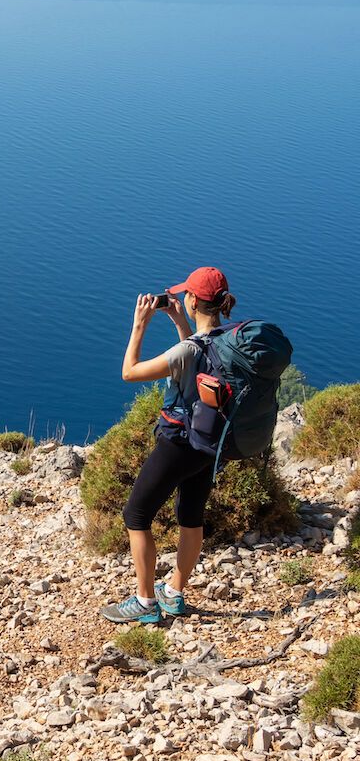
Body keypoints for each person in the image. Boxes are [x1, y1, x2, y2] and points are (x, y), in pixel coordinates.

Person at [100, 266, 237, 624]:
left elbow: (130, 372)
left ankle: (145, 601)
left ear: (192, 299)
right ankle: (174, 593)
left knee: (136, 514)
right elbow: (198, 354)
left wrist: (139, 324)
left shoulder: (187, 351)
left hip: (179, 442)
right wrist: (180, 322)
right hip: (210, 442)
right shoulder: (228, 339)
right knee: (191, 515)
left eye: (185, 296)